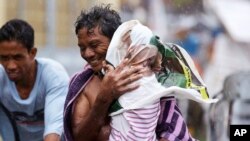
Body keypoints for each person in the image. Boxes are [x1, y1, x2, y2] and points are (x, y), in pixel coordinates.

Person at [63, 4, 209, 141]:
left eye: (94, 45)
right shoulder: (83, 85)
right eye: (82, 48)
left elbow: (170, 129)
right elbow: (79, 138)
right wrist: (104, 96)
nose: (87, 54)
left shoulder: (147, 77)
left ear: (116, 42)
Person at [0, 19, 69, 141]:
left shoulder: (54, 76)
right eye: (4, 58)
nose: (11, 66)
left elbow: (54, 133)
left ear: (32, 53)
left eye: (17, 57)